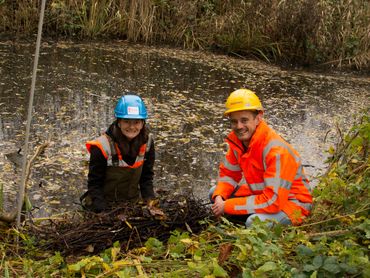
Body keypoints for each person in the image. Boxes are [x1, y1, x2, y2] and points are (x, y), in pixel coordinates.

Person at [210, 89, 312, 227]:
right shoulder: (237, 143)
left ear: (258, 118)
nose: (239, 126)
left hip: (292, 204)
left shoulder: (276, 150)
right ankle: (238, 219)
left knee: (254, 223)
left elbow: (273, 201)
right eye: (234, 121)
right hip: (263, 195)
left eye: (244, 120)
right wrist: (219, 197)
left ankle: (244, 221)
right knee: (214, 193)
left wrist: (227, 206)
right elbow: (228, 175)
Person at [82, 94, 155, 213]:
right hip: (102, 203)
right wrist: (103, 213)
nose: (132, 127)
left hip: (131, 204)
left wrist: (151, 203)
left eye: (136, 122)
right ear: (119, 122)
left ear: (142, 124)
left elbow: (146, 178)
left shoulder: (148, 143)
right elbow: (94, 185)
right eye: (127, 121)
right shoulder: (101, 146)